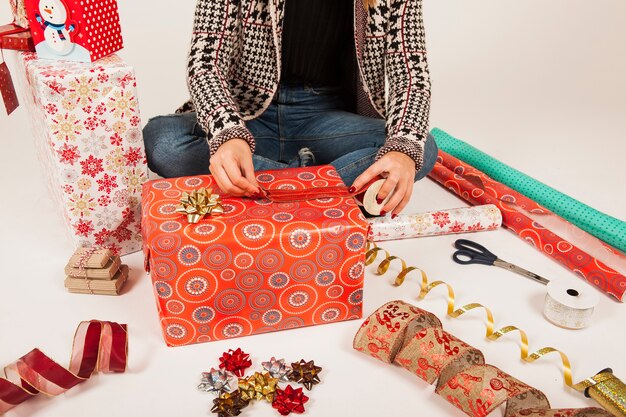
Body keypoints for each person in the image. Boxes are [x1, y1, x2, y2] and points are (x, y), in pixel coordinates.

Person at [143, 0, 437, 218]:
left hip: (327, 120)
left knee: (420, 150)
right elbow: (205, 64)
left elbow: (411, 77)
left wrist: (402, 151)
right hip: (247, 116)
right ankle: (326, 190)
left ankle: (263, 185)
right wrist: (227, 135)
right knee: (164, 142)